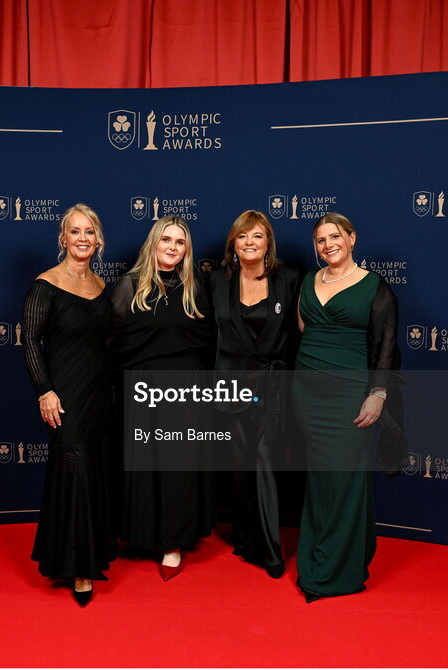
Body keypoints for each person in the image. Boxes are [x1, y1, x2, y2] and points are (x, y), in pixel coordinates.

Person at [292, 212, 404, 601]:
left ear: (352, 238)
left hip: (350, 395)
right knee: (321, 480)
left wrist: (378, 393)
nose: (328, 245)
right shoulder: (309, 280)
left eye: (335, 237)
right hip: (307, 393)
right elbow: (305, 330)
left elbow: (387, 343)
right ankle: (317, 556)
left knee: (345, 480)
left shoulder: (375, 286)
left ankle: (340, 568)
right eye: (321, 240)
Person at [109, 215, 215, 580]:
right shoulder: (129, 285)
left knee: (178, 464)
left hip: (185, 386)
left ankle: (173, 542)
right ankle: (143, 533)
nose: (172, 247)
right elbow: (112, 341)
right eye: (166, 239)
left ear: (187, 249)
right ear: (153, 243)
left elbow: (207, 339)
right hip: (141, 385)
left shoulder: (195, 287)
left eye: (180, 242)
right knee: (144, 462)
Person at [21, 203, 115, 607]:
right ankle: (78, 569)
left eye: (89, 232)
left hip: (99, 394)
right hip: (63, 394)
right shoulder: (46, 284)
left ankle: (82, 555)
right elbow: (30, 341)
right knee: (72, 468)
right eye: (74, 231)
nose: (82, 238)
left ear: (98, 240)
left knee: (91, 472)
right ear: (63, 238)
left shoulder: (100, 285)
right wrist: (45, 389)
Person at [208, 210, 299, 578]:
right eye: (243, 236)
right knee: (239, 468)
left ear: (267, 243)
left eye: (257, 236)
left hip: (271, 389)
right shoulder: (215, 281)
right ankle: (244, 538)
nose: (250, 242)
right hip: (228, 387)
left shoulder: (289, 279)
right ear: (233, 243)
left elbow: (302, 334)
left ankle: (268, 550)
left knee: (263, 461)